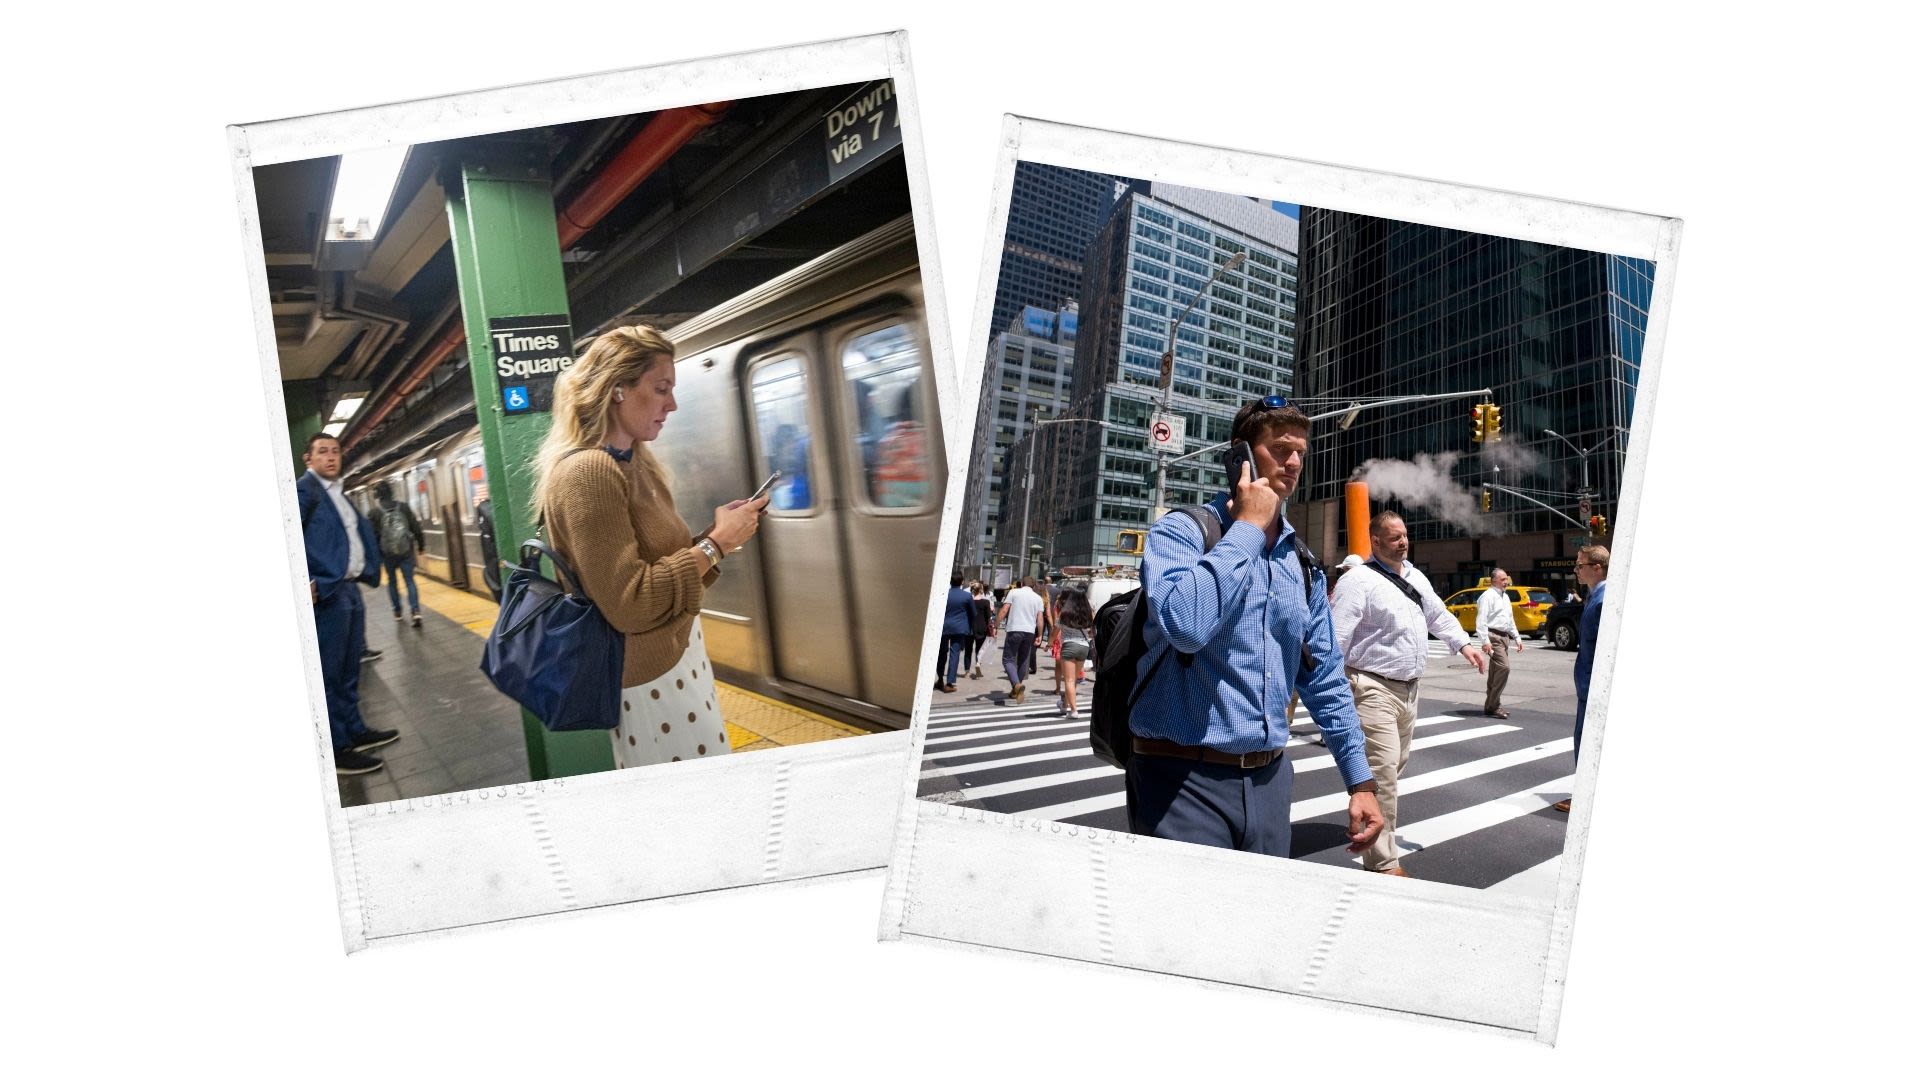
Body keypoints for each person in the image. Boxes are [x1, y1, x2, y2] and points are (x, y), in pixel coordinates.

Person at [1127, 395, 1383, 859]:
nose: (1293, 461)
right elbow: (1186, 624)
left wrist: (1360, 781)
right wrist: (1247, 526)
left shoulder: (1300, 562)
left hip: (1270, 782)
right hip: (1181, 778)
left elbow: (1325, 677)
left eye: (1301, 452)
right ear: (1240, 454)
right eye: (1280, 448)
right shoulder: (1181, 533)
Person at [532, 325, 769, 769]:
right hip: (649, 681)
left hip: (681, 658)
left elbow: (666, 565)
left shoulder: (637, 463)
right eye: (661, 389)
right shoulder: (589, 473)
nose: (672, 404)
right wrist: (716, 545)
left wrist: (720, 537)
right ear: (618, 389)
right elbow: (631, 603)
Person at [1330, 511, 1487, 877]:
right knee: (1384, 775)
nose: (1403, 541)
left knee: (1393, 766)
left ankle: (1364, 807)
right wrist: (1331, 690)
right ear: (1377, 542)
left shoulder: (1415, 577)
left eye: (1405, 535)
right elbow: (1335, 639)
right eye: (1394, 537)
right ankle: (1384, 861)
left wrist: (1464, 645)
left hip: (1409, 690)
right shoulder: (1359, 581)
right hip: (1371, 688)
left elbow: (1438, 615)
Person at [296, 432, 398, 776]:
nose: (330, 457)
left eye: (335, 452)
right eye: (322, 452)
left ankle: (355, 729)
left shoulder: (337, 494)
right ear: (307, 459)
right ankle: (337, 747)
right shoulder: (304, 492)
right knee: (329, 672)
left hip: (349, 589)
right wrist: (303, 580)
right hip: (328, 591)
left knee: (349, 668)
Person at [1556, 544, 1609, 813]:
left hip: (1593, 688)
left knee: (1586, 742)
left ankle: (1586, 799)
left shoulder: (1602, 600)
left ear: (1596, 568)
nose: (1576, 570)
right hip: (1589, 686)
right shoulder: (1596, 596)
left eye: (1580, 565)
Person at [374, 481, 426, 627]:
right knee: (410, 580)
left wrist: (377, 556)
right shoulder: (403, 507)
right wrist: (421, 545)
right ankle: (415, 611)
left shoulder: (375, 512)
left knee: (392, 582)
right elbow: (416, 527)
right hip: (405, 551)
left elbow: (373, 536)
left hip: (387, 554)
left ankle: (397, 611)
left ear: (377, 495)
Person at [1476, 567, 1524, 719]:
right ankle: (1494, 705)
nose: (1506, 582)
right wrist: (1485, 641)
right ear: (1494, 580)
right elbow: (1481, 620)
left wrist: (1517, 637)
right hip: (1493, 637)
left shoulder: (1505, 597)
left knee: (1495, 672)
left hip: (1504, 637)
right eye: (1503, 579)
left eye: (1507, 579)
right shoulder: (1487, 596)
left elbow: (1509, 620)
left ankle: (1490, 706)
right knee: (1505, 668)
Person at [996, 577, 1046, 703]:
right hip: (1029, 631)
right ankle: (1016, 691)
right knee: (1024, 660)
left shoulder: (1014, 593)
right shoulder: (1038, 598)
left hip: (1014, 629)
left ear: (1021, 584)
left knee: (1008, 659)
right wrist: (1039, 635)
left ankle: (1016, 685)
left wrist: (995, 625)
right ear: (1034, 586)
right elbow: (1040, 619)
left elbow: (1004, 610)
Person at [1053, 587, 1094, 716]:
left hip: (1069, 646)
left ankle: (1074, 710)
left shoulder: (1065, 613)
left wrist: (1049, 643)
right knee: (1074, 679)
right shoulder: (1089, 613)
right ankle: (1065, 704)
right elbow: (1092, 631)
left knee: (1069, 680)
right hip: (1083, 647)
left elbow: (1056, 629)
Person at [935, 571, 973, 692]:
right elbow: (973, 613)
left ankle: (940, 678)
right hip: (959, 629)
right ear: (962, 582)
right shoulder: (966, 596)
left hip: (943, 627)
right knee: (954, 653)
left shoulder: (943, 594)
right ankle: (950, 683)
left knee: (941, 653)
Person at [965, 582, 992, 679]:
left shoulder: (968, 601)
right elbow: (988, 617)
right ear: (981, 590)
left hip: (969, 628)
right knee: (979, 649)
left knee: (968, 650)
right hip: (981, 628)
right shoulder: (985, 602)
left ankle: (967, 671)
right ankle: (977, 664)